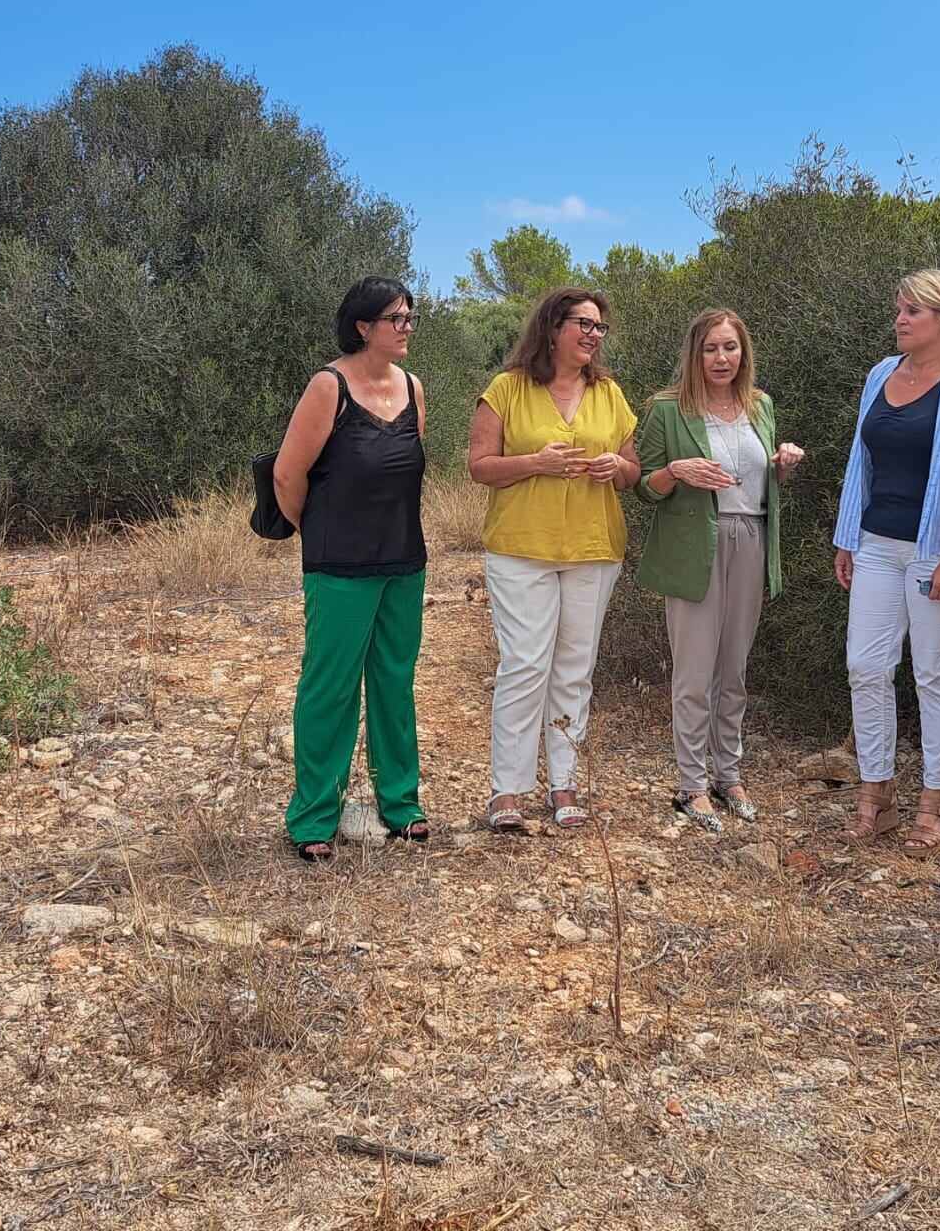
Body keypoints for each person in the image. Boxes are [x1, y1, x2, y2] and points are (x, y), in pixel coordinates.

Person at [832, 269, 940, 856]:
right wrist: (847, 537)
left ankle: (935, 804)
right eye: (899, 308)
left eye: (913, 311)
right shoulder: (881, 373)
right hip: (878, 544)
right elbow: (862, 461)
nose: (900, 319)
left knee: (934, 674)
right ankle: (875, 796)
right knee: (866, 666)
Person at [468, 287, 639, 831]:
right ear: (551, 328)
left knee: (574, 669)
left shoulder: (609, 392)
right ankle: (507, 791)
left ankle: (564, 784)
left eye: (598, 327)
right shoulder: (507, 389)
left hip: (593, 548)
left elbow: (634, 472)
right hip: (521, 549)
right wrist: (536, 463)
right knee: (524, 666)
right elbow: (479, 466)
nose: (592, 334)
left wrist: (618, 466)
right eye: (582, 324)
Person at [272, 276, 430, 863]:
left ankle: (401, 804)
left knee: (394, 682)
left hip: (403, 561)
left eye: (411, 317)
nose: (407, 327)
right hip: (338, 565)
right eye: (397, 319)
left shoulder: (413, 388)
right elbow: (288, 477)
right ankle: (314, 815)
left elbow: (410, 463)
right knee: (330, 687)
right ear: (363, 326)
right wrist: (318, 534)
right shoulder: (328, 386)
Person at [634, 308, 805, 832]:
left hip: (751, 538)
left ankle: (727, 776)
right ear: (694, 353)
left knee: (734, 668)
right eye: (711, 348)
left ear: (743, 352)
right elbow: (642, 486)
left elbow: (758, 481)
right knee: (693, 672)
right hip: (693, 546)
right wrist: (674, 471)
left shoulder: (761, 405)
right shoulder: (667, 410)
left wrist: (781, 467)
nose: (721, 358)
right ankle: (691, 785)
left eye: (730, 347)